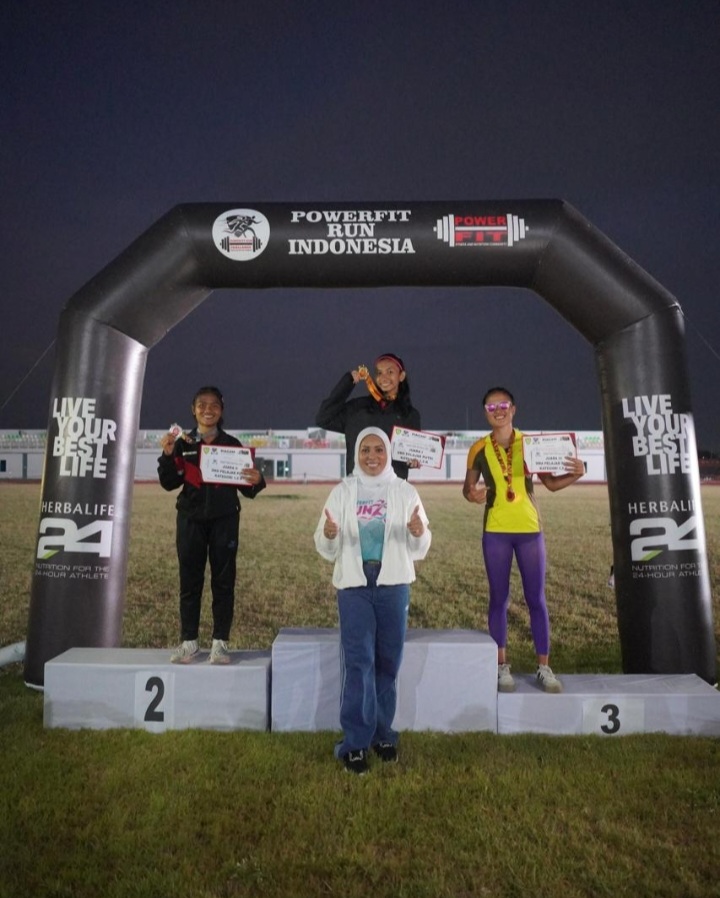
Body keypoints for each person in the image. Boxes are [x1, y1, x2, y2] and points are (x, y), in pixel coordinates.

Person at [314, 426, 431, 775]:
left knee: (388, 662)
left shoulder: (404, 491)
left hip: (393, 584)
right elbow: (325, 541)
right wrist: (329, 535)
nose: (372, 456)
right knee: (359, 662)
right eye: (365, 450)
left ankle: (383, 735)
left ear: (388, 453)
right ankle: (355, 743)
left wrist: (418, 532)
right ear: (356, 454)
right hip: (355, 586)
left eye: (379, 449)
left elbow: (421, 543)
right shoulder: (343, 490)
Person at [462, 387, 585, 694]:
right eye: (491, 407)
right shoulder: (478, 448)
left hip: (530, 530)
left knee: (536, 599)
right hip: (496, 531)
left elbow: (551, 484)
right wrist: (472, 495)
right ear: (485, 413)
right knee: (498, 598)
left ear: (513, 409)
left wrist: (578, 473)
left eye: (503, 405)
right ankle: (501, 666)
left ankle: (544, 667)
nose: (498, 410)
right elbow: (468, 489)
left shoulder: (531, 444)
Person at [158, 386, 266, 664]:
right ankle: (189, 642)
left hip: (225, 520)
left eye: (214, 405)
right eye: (202, 405)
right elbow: (169, 482)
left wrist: (258, 480)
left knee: (223, 582)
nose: (208, 409)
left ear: (221, 410)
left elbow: (248, 488)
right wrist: (167, 455)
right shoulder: (183, 443)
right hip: (190, 519)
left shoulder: (232, 444)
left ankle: (220, 644)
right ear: (193, 410)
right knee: (189, 582)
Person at [315, 352, 421, 479]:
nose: (384, 377)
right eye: (379, 373)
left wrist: (414, 461)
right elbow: (323, 418)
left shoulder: (409, 415)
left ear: (401, 376)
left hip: (393, 488)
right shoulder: (356, 408)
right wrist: (347, 383)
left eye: (390, 372)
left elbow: (410, 455)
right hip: (358, 487)